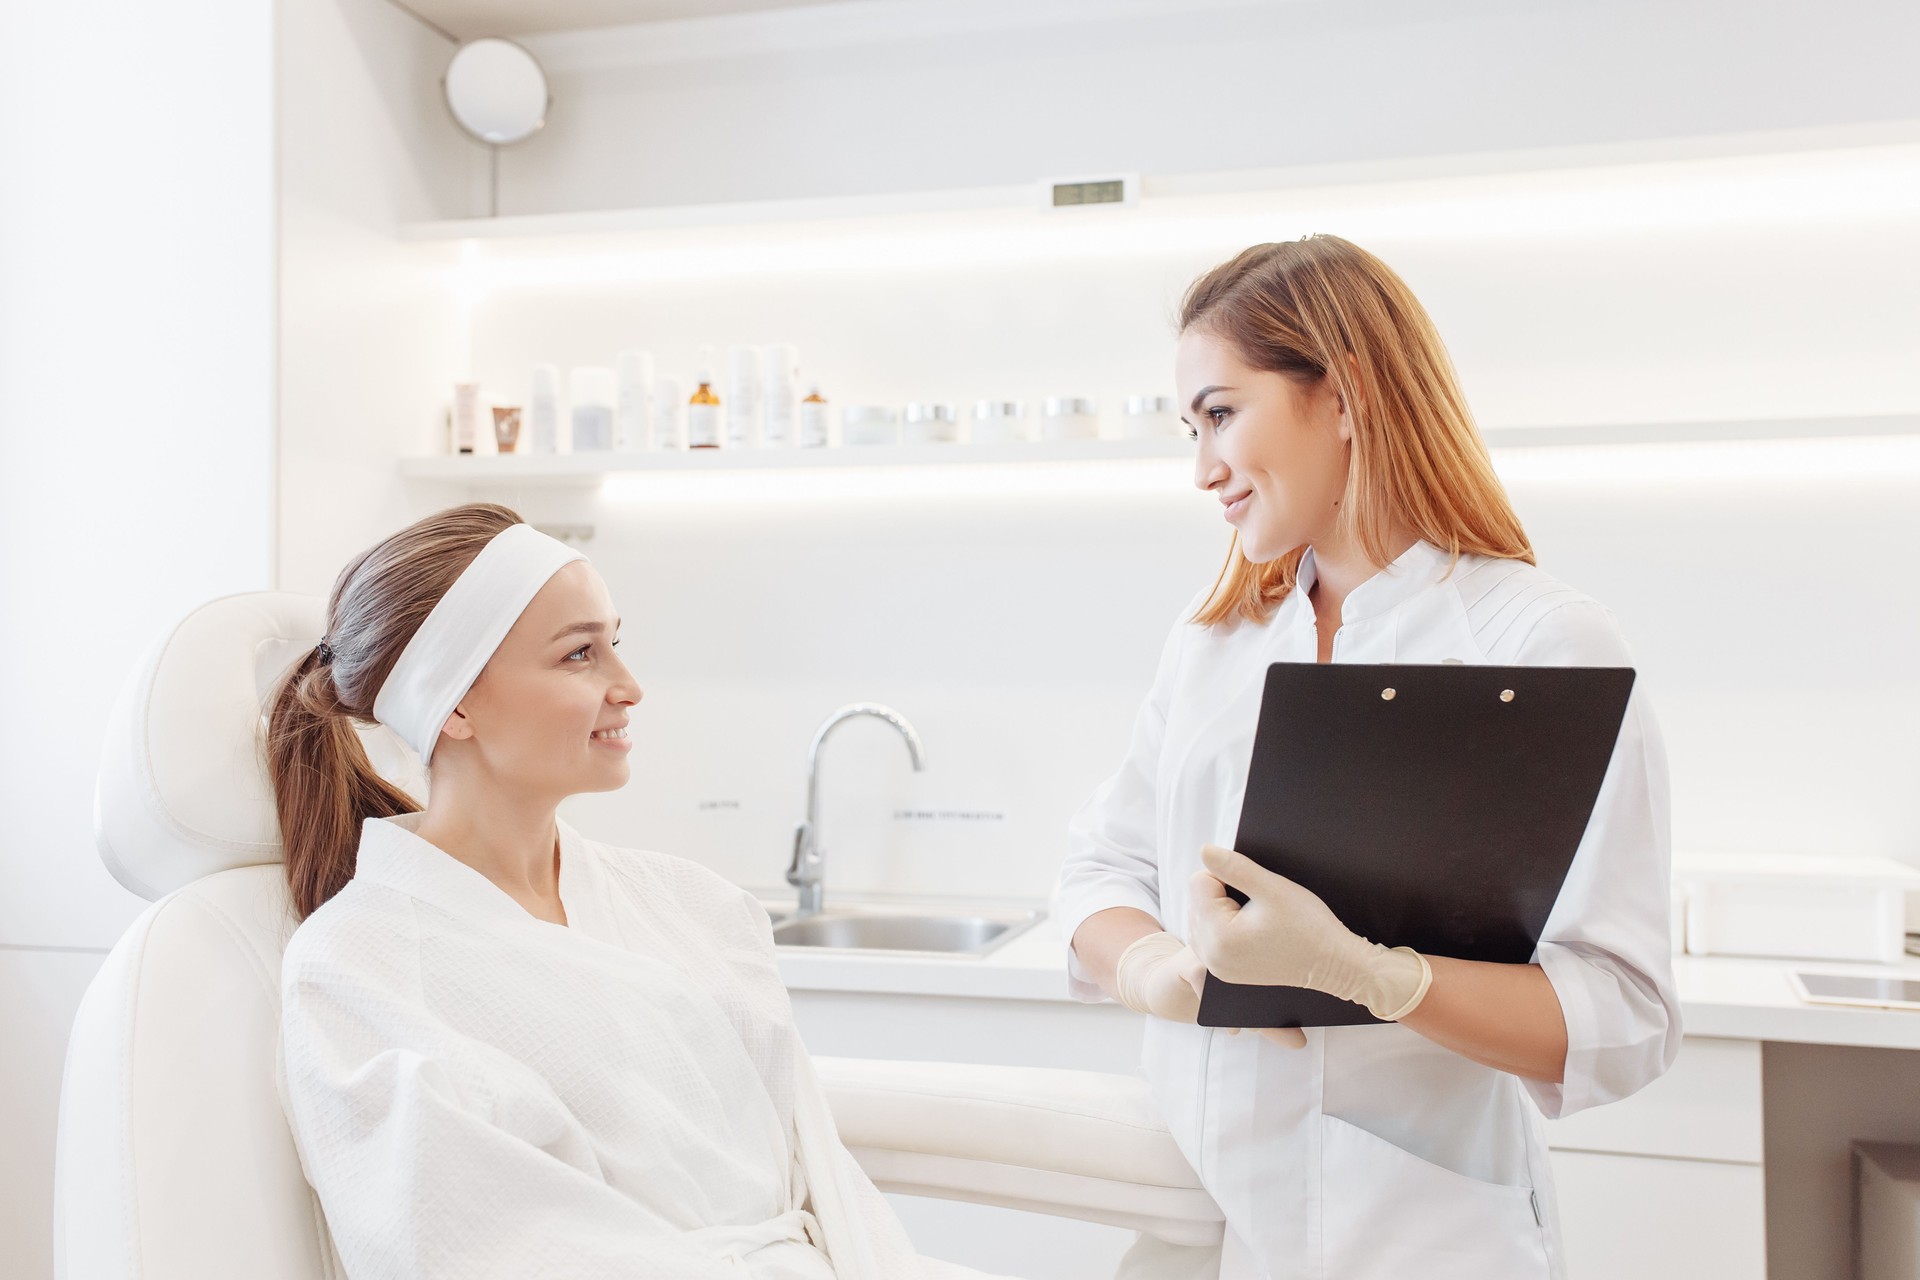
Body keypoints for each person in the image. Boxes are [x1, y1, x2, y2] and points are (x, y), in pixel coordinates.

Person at [1052, 235, 1680, 1280]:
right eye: (1190, 427)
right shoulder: (1214, 641)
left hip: (1415, 1230)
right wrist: (1157, 968)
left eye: (1220, 413)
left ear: (1341, 395)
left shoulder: (1536, 643)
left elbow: (1623, 1011)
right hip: (1197, 1222)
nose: (1203, 467)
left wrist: (1374, 976)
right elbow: (1099, 868)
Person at [266, 503, 998, 1280]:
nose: (630, 686)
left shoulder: (692, 905)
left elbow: (826, 1179)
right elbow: (486, 1249)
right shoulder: (356, 973)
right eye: (580, 655)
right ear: (455, 706)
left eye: (615, 643)